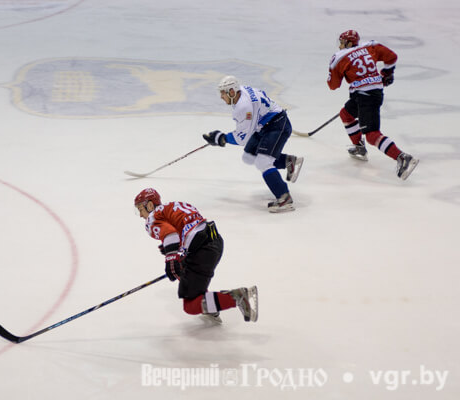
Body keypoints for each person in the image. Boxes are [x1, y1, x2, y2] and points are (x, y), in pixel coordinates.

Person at [134, 188, 258, 324]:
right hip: (215, 242)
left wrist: (171, 258)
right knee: (186, 274)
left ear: (150, 205)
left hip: (202, 250)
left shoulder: (152, 218)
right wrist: (177, 250)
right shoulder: (174, 205)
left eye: (140, 209)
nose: (140, 215)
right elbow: (189, 226)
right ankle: (210, 306)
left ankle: (238, 297)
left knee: (190, 305)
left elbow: (170, 234)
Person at [327, 29, 419, 180]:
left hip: (365, 96)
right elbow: (392, 57)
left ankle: (402, 157)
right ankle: (359, 148)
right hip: (371, 93)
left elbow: (333, 85)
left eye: (342, 43)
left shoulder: (339, 57)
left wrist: (338, 73)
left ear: (349, 43)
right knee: (346, 114)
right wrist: (387, 73)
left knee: (371, 135)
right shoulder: (370, 46)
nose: (340, 46)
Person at [203, 76, 303, 213]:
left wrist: (221, 138)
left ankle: (284, 198)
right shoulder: (240, 92)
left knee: (263, 162)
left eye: (223, 93)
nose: (221, 97)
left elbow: (243, 139)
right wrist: (221, 138)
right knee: (248, 157)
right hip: (263, 125)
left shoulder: (243, 106)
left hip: (277, 126)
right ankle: (287, 161)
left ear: (231, 91)